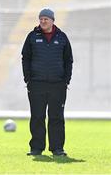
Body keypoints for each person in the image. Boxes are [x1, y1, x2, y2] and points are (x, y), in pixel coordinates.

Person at [21, 8, 73, 156]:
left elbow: (68, 60)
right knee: (37, 116)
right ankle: (36, 148)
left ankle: (57, 149)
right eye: (41, 19)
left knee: (56, 117)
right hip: (36, 84)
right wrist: (28, 79)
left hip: (58, 85)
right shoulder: (32, 37)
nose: (43, 21)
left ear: (52, 20)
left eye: (46, 19)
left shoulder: (62, 37)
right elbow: (26, 58)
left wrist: (66, 80)